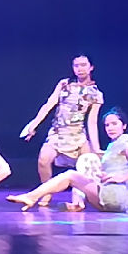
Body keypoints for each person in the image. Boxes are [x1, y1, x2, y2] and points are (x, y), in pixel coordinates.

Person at [6, 106, 128, 212]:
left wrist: (123, 178)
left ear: (124, 126)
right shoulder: (113, 145)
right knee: (84, 168)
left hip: (114, 197)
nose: (110, 128)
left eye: (114, 124)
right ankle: (76, 203)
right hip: (111, 196)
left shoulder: (125, 144)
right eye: (107, 125)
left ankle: (32, 196)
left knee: (71, 175)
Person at [19, 54, 105, 206]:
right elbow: (49, 104)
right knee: (43, 160)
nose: (79, 69)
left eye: (83, 65)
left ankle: (78, 201)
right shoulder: (64, 84)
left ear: (91, 67)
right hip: (58, 133)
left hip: (78, 135)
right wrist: (34, 125)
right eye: (76, 65)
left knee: (85, 166)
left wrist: (96, 147)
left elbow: (92, 122)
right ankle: (46, 192)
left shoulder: (96, 94)